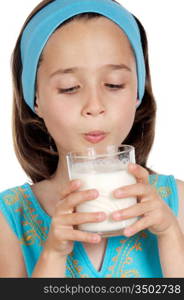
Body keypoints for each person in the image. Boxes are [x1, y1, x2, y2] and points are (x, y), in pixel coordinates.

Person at [0, 0, 184, 278]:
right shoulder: (11, 218)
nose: (94, 105)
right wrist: (52, 255)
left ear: (137, 91)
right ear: (35, 99)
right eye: (69, 88)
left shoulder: (177, 201)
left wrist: (171, 236)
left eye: (113, 84)